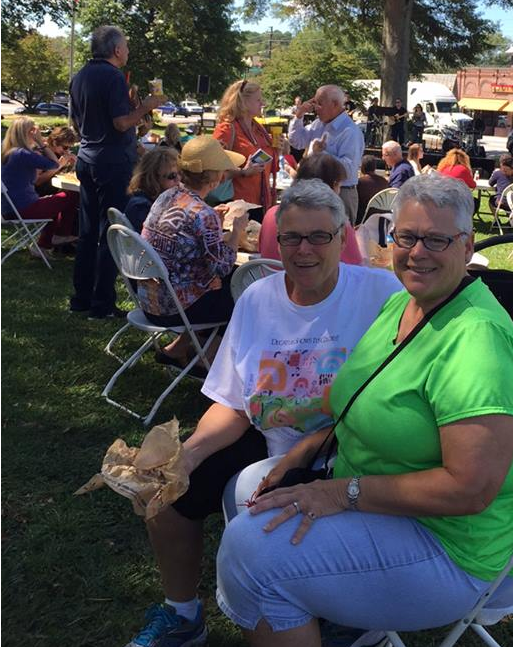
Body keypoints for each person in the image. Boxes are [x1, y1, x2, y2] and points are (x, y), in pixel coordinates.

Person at [213, 175, 513, 646]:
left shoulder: (477, 340)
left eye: (436, 239)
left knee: (252, 554)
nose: (417, 252)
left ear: (467, 247)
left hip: (452, 547)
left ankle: (309, 608)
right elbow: (355, 394)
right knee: (246, 490)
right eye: (406, 237)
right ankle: (322, 613)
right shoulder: (406, 302)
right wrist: (303, 450)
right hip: (383, 504)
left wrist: (338, 493)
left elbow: (468, 491)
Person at [124, 179, 402, 647]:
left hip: (351, 449)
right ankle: (183, 616)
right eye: (291, 237)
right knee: (166, 492)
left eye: (319, 236)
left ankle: (344, 613)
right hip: (268, 442)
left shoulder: (381, 293)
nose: (304, 250)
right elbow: (233, 403)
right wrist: (188, 456)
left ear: (342, 238)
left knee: (269, 531)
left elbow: (459, 332)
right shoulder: (257, 299)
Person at [69, 25, 163, 318]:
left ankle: (81, 299)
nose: (128, 51)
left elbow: (75, 123)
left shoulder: (79, 76)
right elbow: (122, 123)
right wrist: (146, 106)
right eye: (126, 46)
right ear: (117, 50)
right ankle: (102, 304)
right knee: (112, 231)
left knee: (87, 233)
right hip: (111, 161)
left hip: (86, 157)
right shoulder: (113, 76)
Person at [138, 136, 247, 369]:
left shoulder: (168, 196)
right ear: (215, 178)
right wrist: (236, 232)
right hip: (173, 308)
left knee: (216, 286)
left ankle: (176, 350)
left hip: (148, 296)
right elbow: (223, 266)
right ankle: (205, 362)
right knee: (243, 295)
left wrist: (213, 224)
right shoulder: (202, 214)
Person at [259, 153, 363, 265]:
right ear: (334, 185)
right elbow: (356, 267)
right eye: (339, 186)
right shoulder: (337, 223)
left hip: (268, 276)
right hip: (308, 280)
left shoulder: (271, 214)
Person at [0, 117, 79, 255]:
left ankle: (42, 246)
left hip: (7, 207)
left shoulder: (7, 150)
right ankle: (60, 235)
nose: (39, 133)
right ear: (28, 133)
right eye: (35, 131)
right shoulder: (23, 154)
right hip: (23, 208)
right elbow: (54, 164)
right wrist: (42, 144)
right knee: (71, 195)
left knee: (51, 203)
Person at [289, 84, 365, 224]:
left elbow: (348, 170)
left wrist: (322, 154)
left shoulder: (350, 131)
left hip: (341, 193)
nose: (315, 108)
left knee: (339, 240)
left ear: (335, 104)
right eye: (314, 103)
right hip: (317, 191)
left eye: (320, 103)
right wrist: (299, 115)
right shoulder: (319, 124)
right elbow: (296, 142)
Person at [213, 80, 279, 223]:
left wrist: (278, 150)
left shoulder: (259, 130)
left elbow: (272, 168)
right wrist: (243, 172)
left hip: (261, 203)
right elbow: (212, 172)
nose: (263, 103)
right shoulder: (227, 129)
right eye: (258, 100)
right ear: (242, 102)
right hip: (236, 206)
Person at [123, 147, 181, 232]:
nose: (178, 179)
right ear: (153, 178)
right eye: (172, 176)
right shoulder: (142, 207)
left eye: (180, 173)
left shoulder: (157, 200)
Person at [356, 155, 388, 225]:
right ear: (374, 167)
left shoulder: (360, 182)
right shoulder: (384, 181)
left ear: (362, 167)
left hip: (364, 219)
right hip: (382, 219)